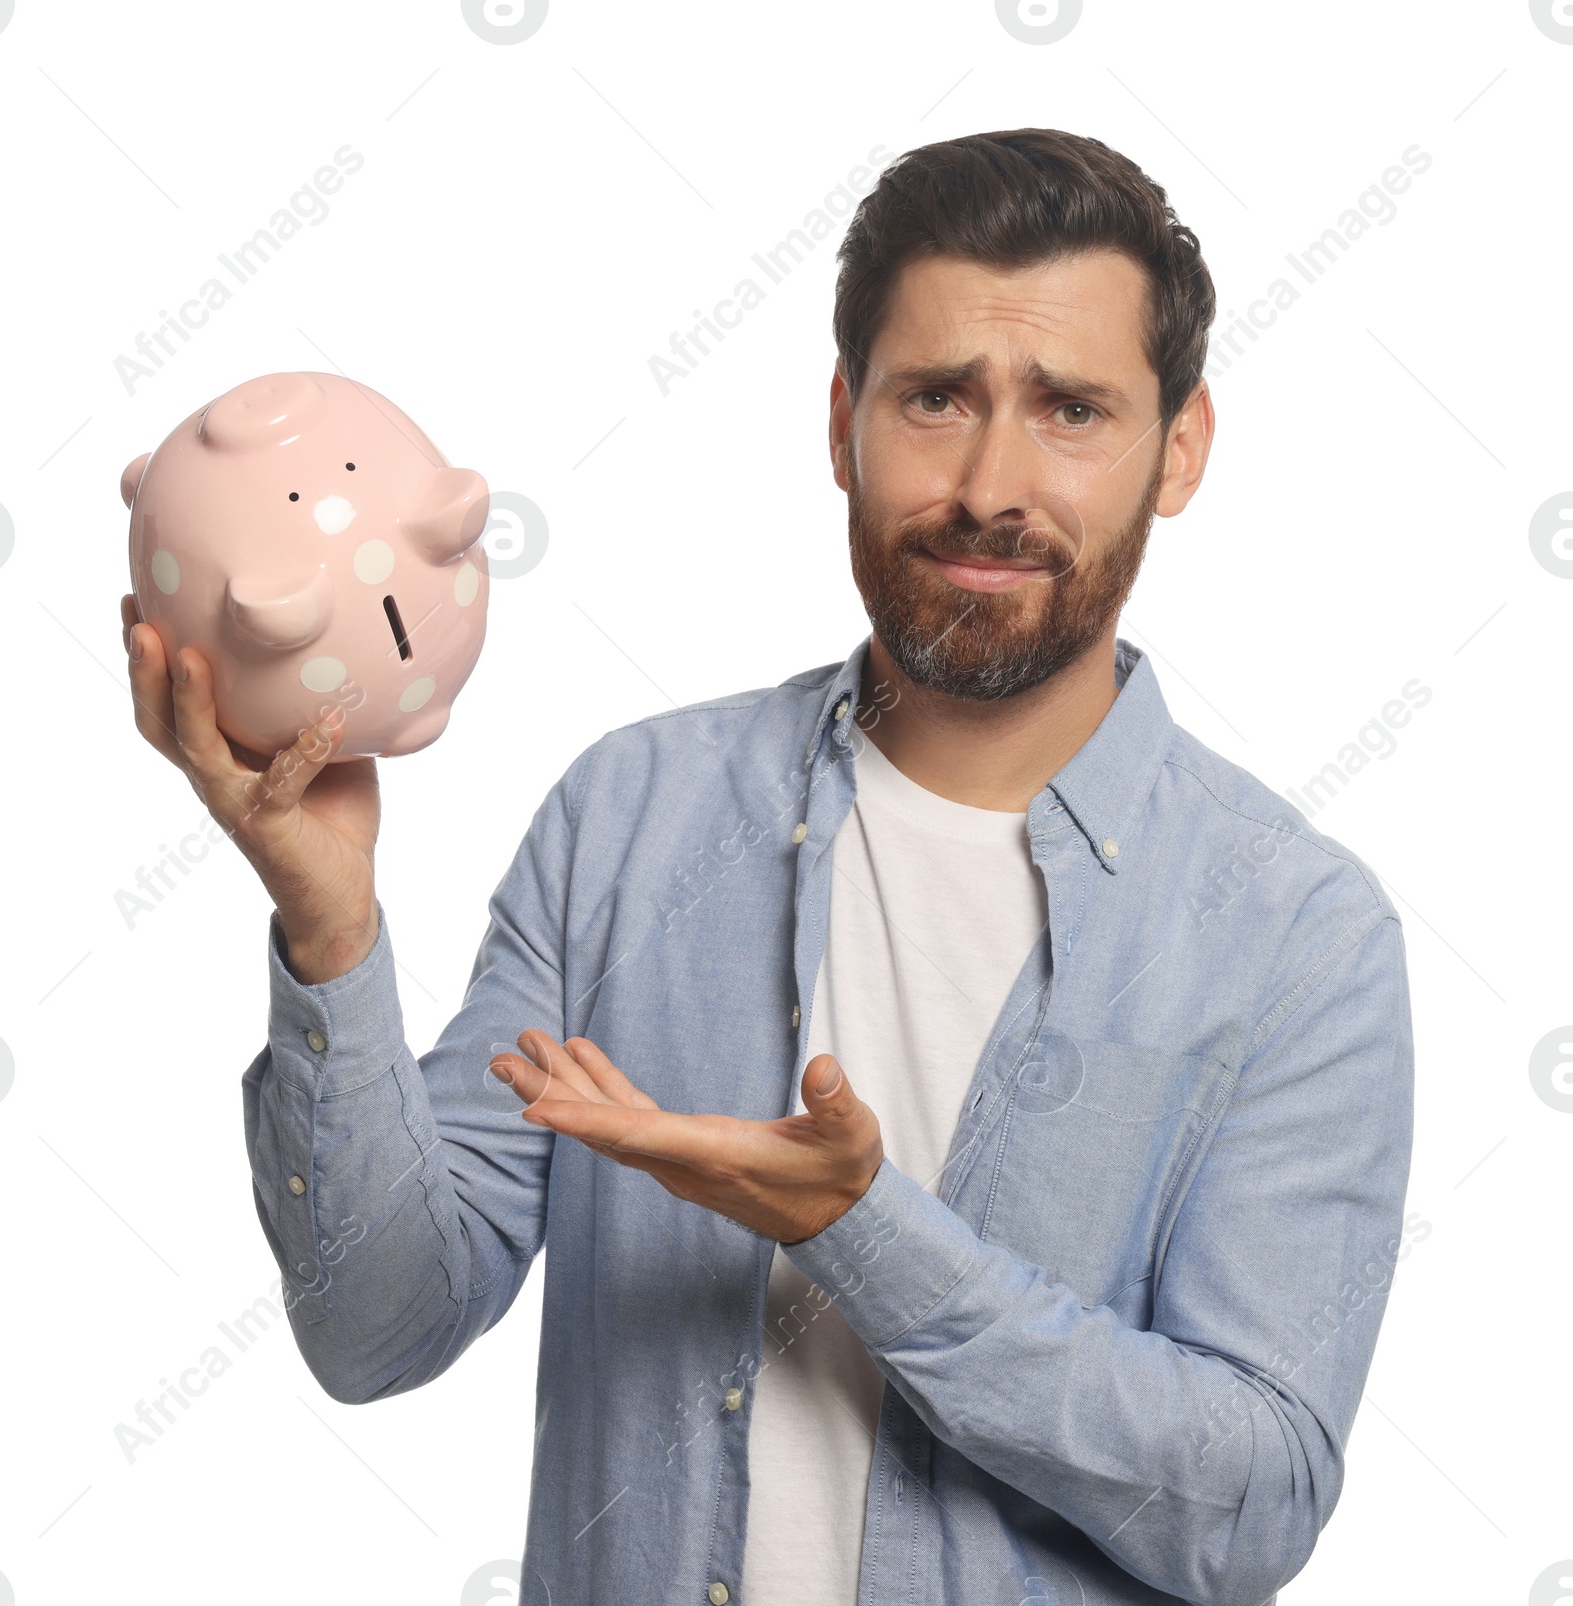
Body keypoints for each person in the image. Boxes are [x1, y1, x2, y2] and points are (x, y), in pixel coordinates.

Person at [122, 127, 1414, 1606]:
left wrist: (860, 1232)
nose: (992, 482)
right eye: (937, 398)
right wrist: (330, 925)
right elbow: (375, 1325)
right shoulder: (632, 817)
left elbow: (1249, 1510)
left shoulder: (1298, 935)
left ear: (1178, 448)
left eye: (1070, 409)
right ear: (842, 422)